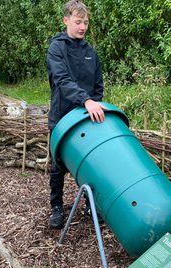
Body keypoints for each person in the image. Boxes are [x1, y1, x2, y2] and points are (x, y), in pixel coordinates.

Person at [47, 0, 106, 229]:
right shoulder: (56, 48)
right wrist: (86, 100)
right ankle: (57, 207)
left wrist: (94, 104)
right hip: (62, 117)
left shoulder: (91, 52)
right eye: (78, 22)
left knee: (90, 162)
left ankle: (91, 204)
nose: (82, 27)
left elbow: (98, 86)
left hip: (87, 119)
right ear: (66, 20)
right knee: (58, 165)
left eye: (86, 22)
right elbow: (62, 81)